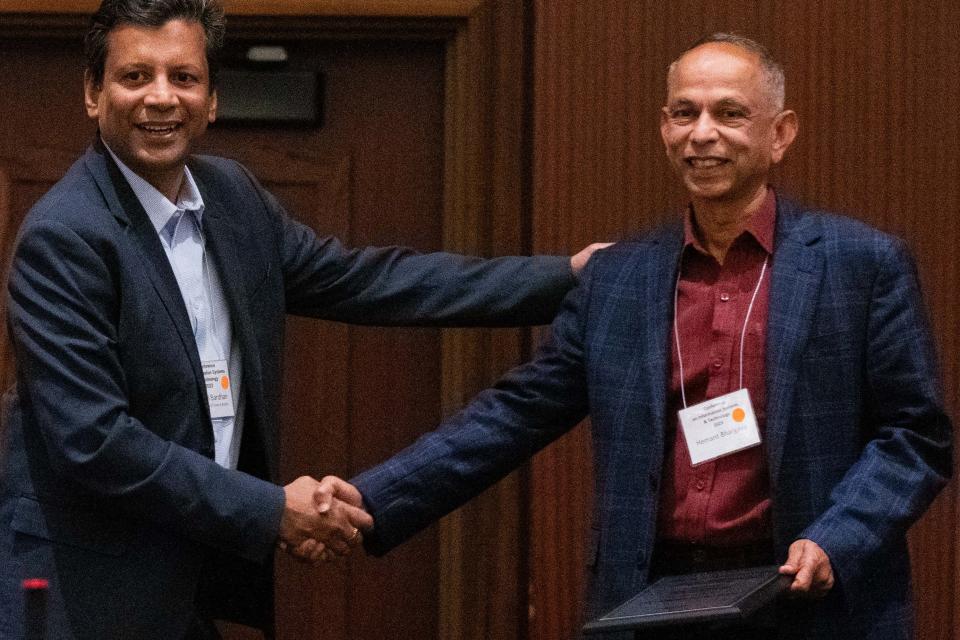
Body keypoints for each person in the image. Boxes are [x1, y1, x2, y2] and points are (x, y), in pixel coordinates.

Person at [0, 1, 603, 638]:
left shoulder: (231, 197)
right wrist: (272, 510)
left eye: (183, 77)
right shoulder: (65, 236)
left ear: (211, 100)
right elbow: (96, 443)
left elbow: (369, 280)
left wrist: (566, 275)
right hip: (83, 594)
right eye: (134, 77)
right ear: (93, 94)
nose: (160, 98)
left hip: (188, 584)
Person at [339, 33, 952, 639]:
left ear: (781, 133)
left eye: (729, 113)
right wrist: (367, 500)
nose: (702, 133)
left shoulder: (861, 264)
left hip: (812, 601)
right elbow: (513, 414)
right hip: (652, 604)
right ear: (664, 128)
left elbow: (914, 438)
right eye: (685, 113)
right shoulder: (619, 277)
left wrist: (834, 541)